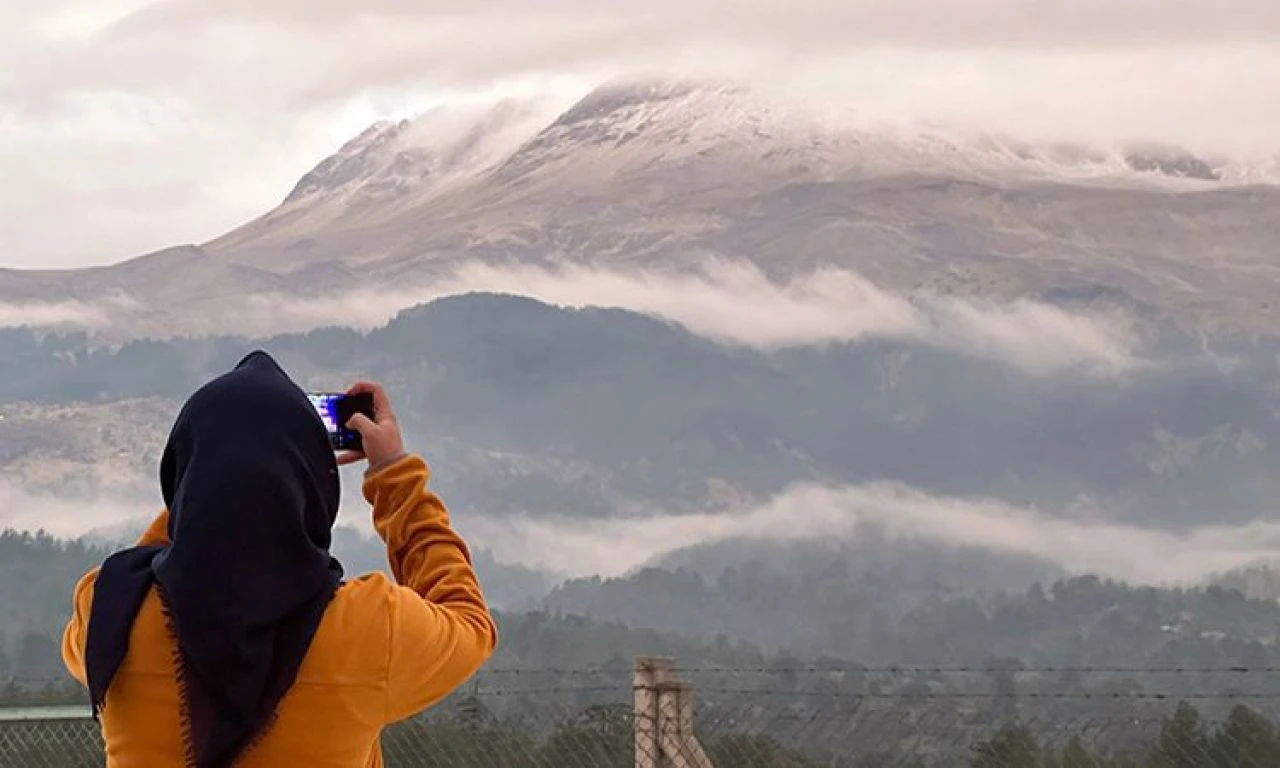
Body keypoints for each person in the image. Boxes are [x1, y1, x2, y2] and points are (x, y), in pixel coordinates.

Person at [60, 350, 498, 768]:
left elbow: (162, 561)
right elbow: (468, 622)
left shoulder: (109, 612)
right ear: (311, 484)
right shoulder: (369, 631)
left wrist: (204, 490)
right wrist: (393, 474)